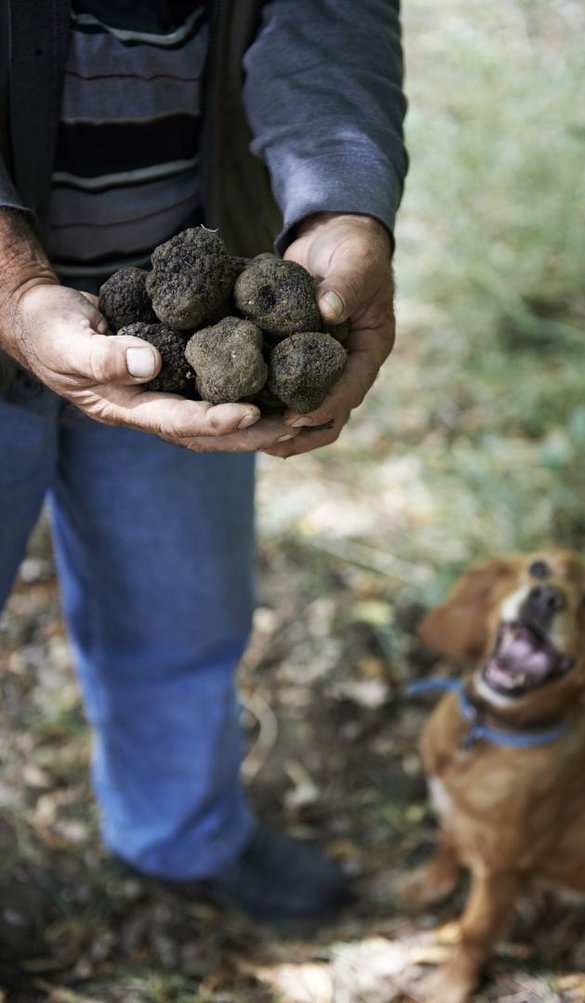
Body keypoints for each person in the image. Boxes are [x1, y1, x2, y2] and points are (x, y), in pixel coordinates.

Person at [0, 0, 407, 924]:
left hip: (180, 343)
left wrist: (343, 201)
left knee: (183, 606)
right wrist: (15, 287)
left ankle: (180, 833)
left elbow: (328, 18)